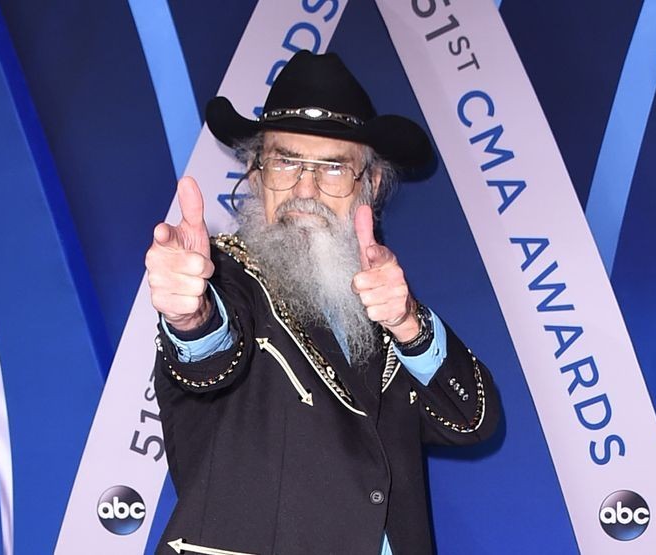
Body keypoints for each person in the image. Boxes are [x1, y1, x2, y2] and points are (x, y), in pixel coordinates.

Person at [146, 50, 501, 555]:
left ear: (370, 185)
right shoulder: (223, 279)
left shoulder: (381, 303)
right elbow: (211, 349)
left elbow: (473, 421)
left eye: (333, 169)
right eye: (286, 162)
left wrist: (408, 325)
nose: (304, 189)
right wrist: (190, 316)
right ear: (255, 175)